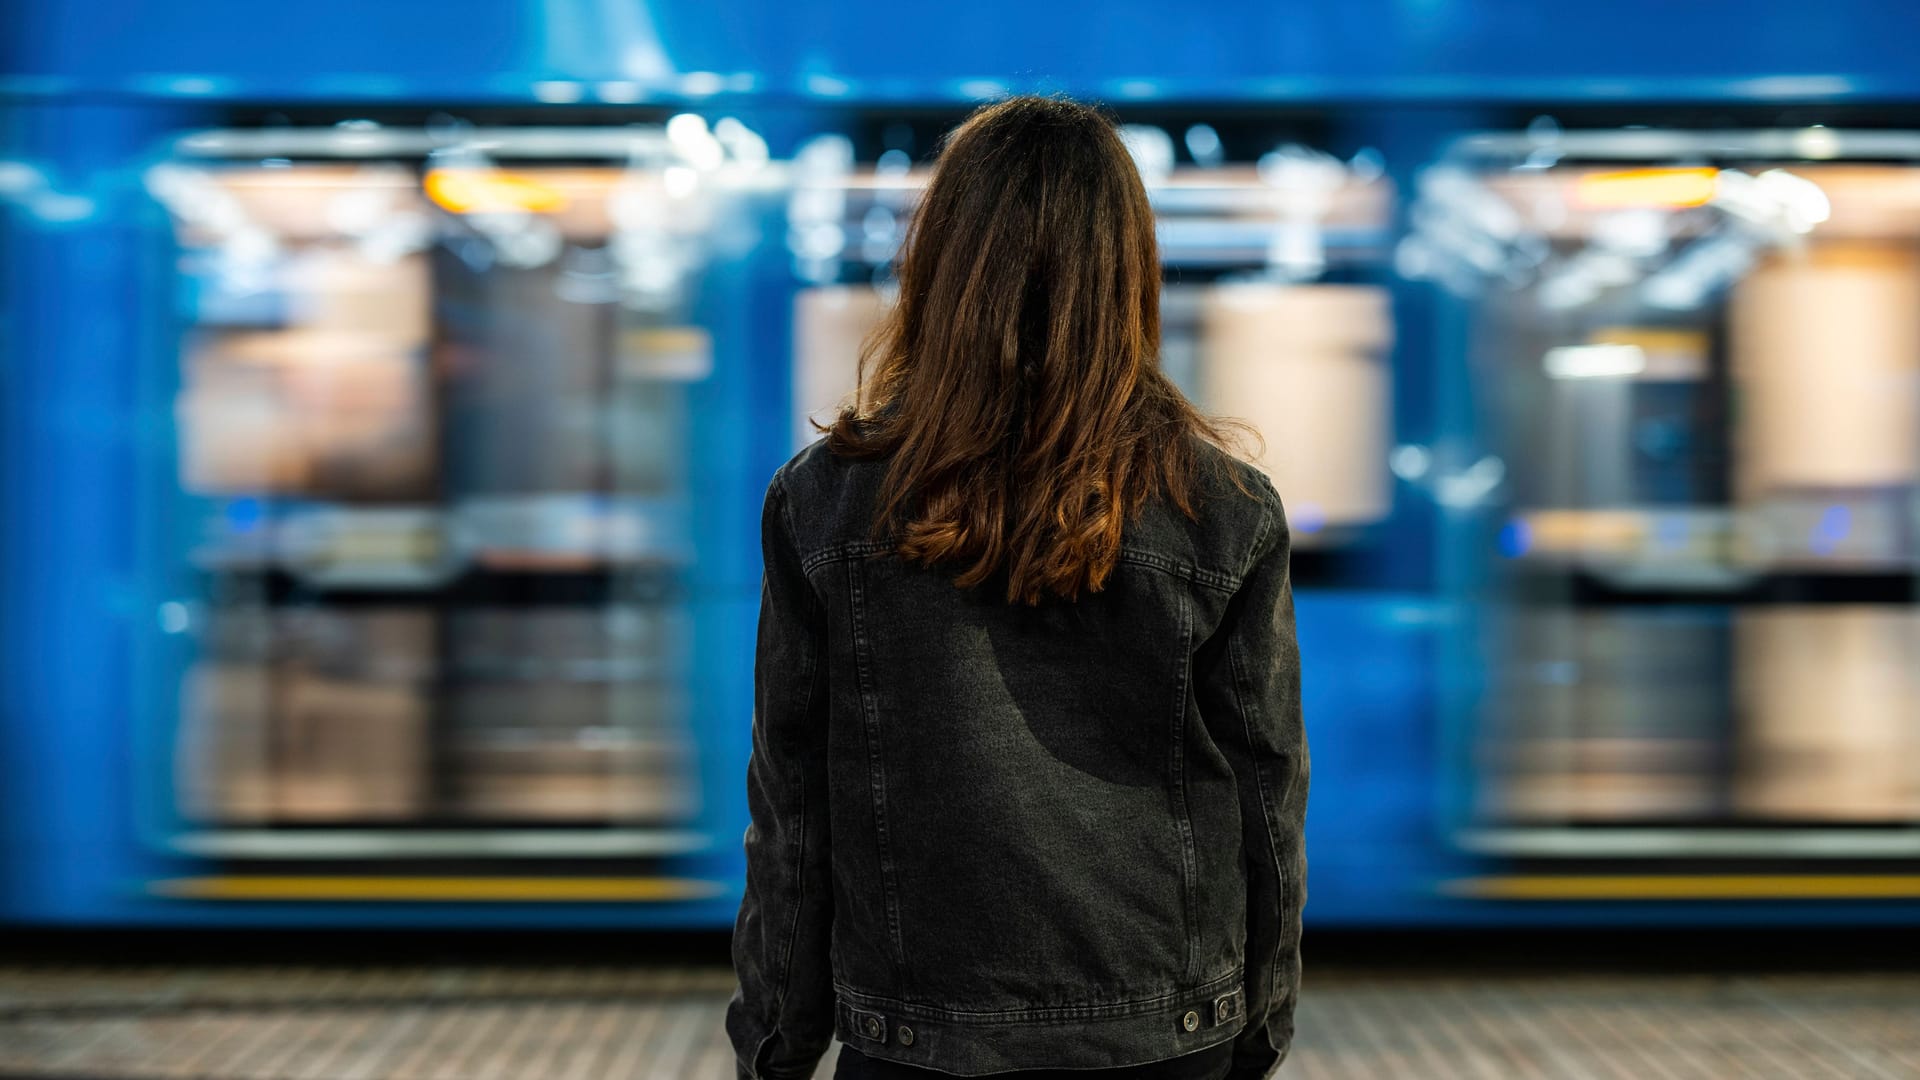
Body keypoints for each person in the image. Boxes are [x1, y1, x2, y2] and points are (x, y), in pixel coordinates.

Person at [726, 95, 1307, 1080]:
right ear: (1129, 273)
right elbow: (1267, 792)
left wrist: (779, 1043)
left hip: (917, 1044)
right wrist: (1257, 1026)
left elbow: (794, 805)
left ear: (941, 263)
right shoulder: (1224, 506)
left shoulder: (825, 502)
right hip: (1166, 1038)